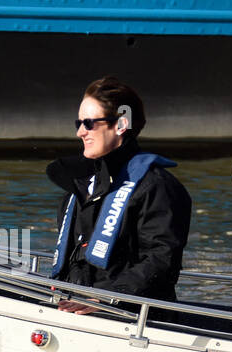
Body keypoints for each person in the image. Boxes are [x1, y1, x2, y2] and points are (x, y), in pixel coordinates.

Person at [47, 77, 191, 314]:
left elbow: (161, 261)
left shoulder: (157, 187)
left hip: (130, 318)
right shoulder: (81, 188)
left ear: (121, 125)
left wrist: (106, 300)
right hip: (74, 309)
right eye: (78, 123)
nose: (80, 133)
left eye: (89, 123)